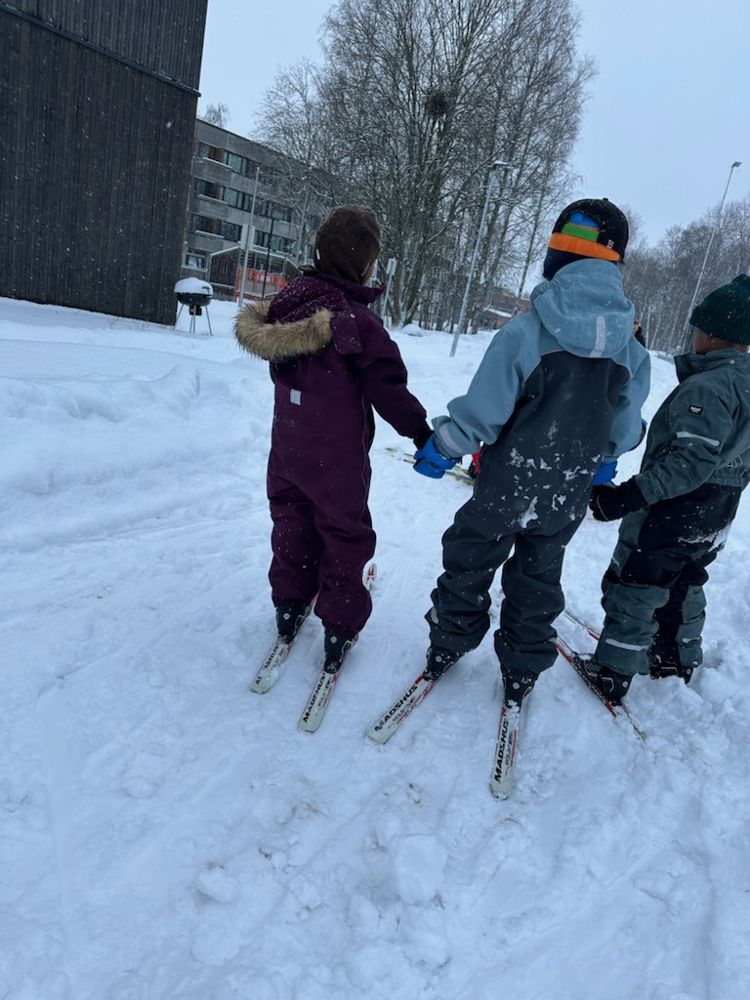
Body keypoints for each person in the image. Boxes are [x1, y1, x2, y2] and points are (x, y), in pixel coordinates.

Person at [412, 198, 651, 706]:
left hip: (506, 483)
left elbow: (483, 411)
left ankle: (449, 641)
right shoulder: (632, 352)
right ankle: (522, 665)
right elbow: (626, 429)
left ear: (557, 257)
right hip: (566, 492)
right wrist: (606, 453)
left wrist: (445, 446)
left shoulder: (525, 333)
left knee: (470, 557)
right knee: (539, 575)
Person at [235, 205, 430, 663]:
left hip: (287, 449)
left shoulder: (284, 307)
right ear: (360, 264)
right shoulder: (354, 322)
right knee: (345, 533)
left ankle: (289, 600)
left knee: (291, 521)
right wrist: (421, 432)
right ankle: (340, 625)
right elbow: (388, 387)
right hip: (337, 459)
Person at [585, 274, 750, 701]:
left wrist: (626, 497)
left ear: (714, 335)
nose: (692, 335)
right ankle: (676, 656)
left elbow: (690, 462)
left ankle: (613, 669)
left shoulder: (710, 386)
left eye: (697, 328)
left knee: (637, 585)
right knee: (687, 580)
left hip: (677, 508)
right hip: (719, 510)